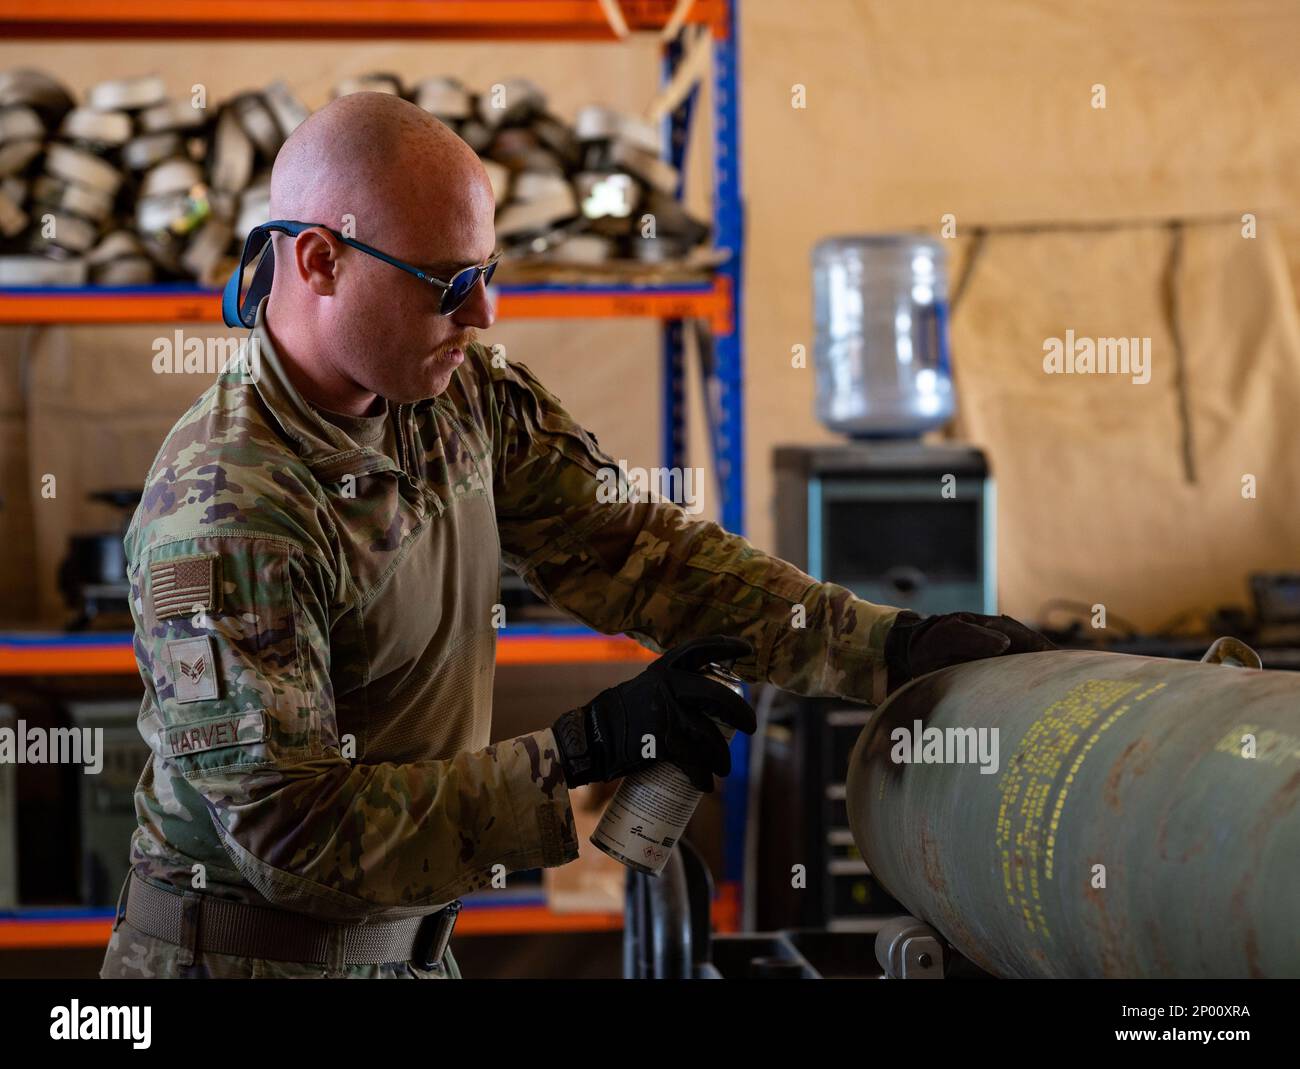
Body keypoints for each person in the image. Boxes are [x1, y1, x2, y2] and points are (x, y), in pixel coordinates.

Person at [101, 92, 1051, 980]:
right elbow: (294, 839)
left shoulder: (454, 398)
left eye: (490, 275)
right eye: (449, 282)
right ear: (320, 262)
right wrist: (584, 749)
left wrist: (889, 648)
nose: (483, 313)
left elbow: (640, 553)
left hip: (406, 952)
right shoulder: (228, 507)